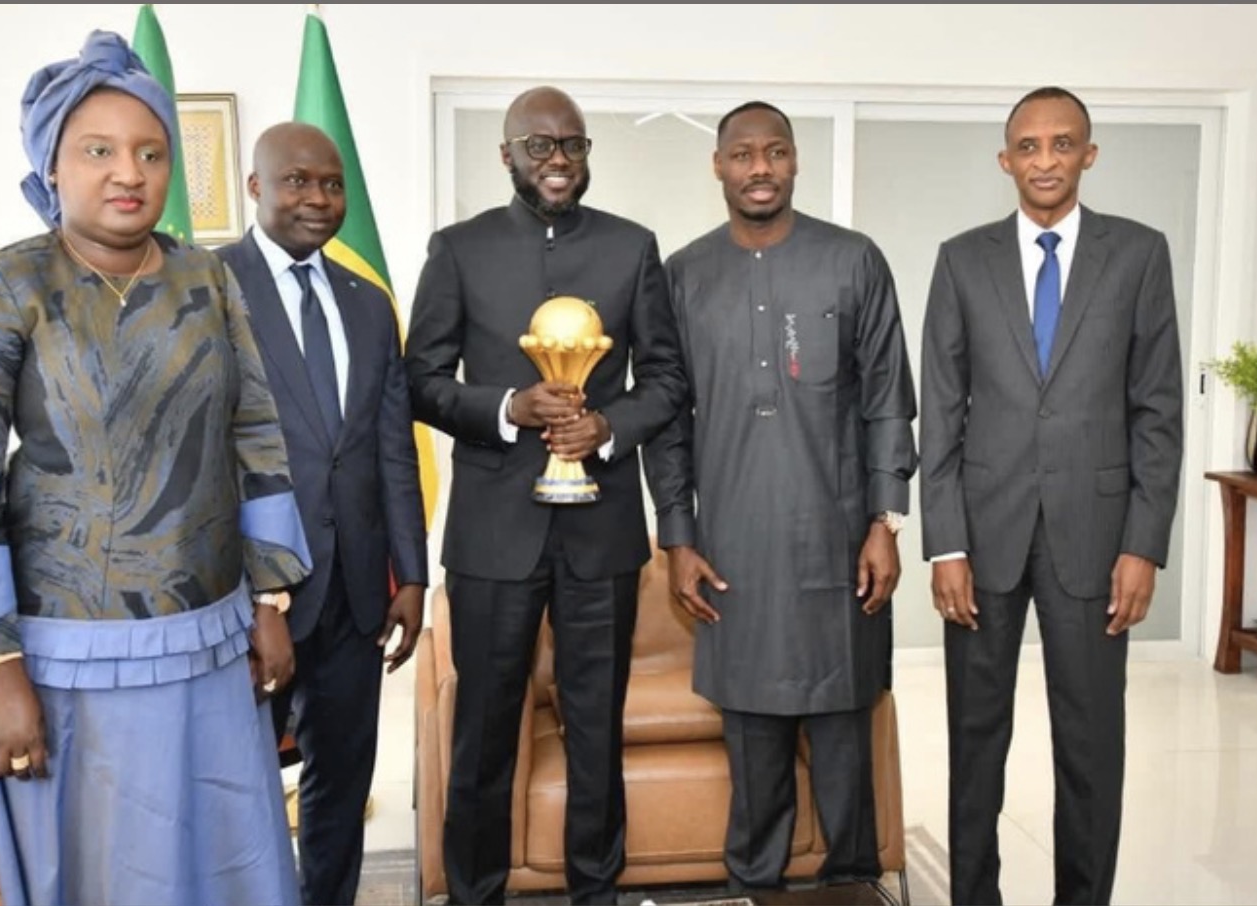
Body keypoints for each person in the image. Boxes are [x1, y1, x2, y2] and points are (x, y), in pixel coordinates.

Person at [0, 30, 313, 906]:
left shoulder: (209, 281)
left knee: (226, 863)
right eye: (99, 151)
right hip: (64, 663)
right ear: (52, 165)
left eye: (150, 153)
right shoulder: (4, 288)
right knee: (99, 872)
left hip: (211, 643)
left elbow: (256, 435)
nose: (129, 172)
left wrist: (271, 601)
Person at [404, 85, 686, 905]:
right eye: (539, 145)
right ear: (507, 155)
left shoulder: (632, 247)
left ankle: (596, 891)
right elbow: (419, 380)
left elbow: (667, 379)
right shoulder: (458, 249)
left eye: (572, 145)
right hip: (494, 534)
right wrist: (506, 409)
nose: (557, 159)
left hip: (602, 531)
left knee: (596, 729)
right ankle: (474, 894)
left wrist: (606, 426)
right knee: (484, 732)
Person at [643, 101, 918, 893]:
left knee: (843, 735)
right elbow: (667, 418)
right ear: (718, 166)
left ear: (794, 161)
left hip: (837, 545)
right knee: (753, 745)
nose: (759, 168)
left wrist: (884, 522)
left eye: (774, 152)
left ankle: (853, 886)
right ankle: (753, 887)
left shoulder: (852, 261)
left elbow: (887, 403)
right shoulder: (684, 275)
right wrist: (677, 536)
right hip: (732, 549)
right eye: (742, 154)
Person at [919, 86, 1183, 905]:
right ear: (1005, 160)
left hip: (1096, 541)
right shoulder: (961, 259)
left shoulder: (1136, 254)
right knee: (974, 741)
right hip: (982, 539)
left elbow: (1157, 410)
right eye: (1028, 146)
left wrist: (1142, 544)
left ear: (1088, 155)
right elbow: (940, 409)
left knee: (1091, 744)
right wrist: (944, 543)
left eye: (1061, 144)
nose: (1044, 160)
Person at [217, 121, 428, 906]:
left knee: (341, 779)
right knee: (235, 783)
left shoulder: (368, 302)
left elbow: (390, 447)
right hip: (244, 598)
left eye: (332, 185)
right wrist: (255, 596)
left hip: (354, 589)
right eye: (297, 181)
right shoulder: (209, 285)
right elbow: (204, 455)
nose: (317, 198)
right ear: (256, 187)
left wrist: (411, 574)